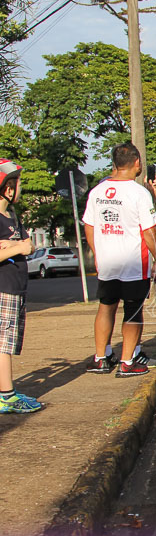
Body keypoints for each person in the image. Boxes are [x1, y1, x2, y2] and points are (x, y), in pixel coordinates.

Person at [82, 143, 156, 377]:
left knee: (106, 307)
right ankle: (127, 361)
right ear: (137, 163)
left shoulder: (97, 191)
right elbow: (149, 232)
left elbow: (89, 226)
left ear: (114, 163)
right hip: (133, 263)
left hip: (107, 262)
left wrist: (98, 252)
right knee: (133, 310)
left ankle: (101, 357)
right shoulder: (138, 193)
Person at [0, 160, 41, 413]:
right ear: (7, 188)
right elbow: (21, 246)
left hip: (15, 287)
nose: (21, 188)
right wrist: (17, 248)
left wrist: (19, 246)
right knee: (3, 343)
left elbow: (27, 244)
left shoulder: (10, 216)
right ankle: (6, 395)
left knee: (7, 342)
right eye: (18, 183)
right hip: (3, 287)